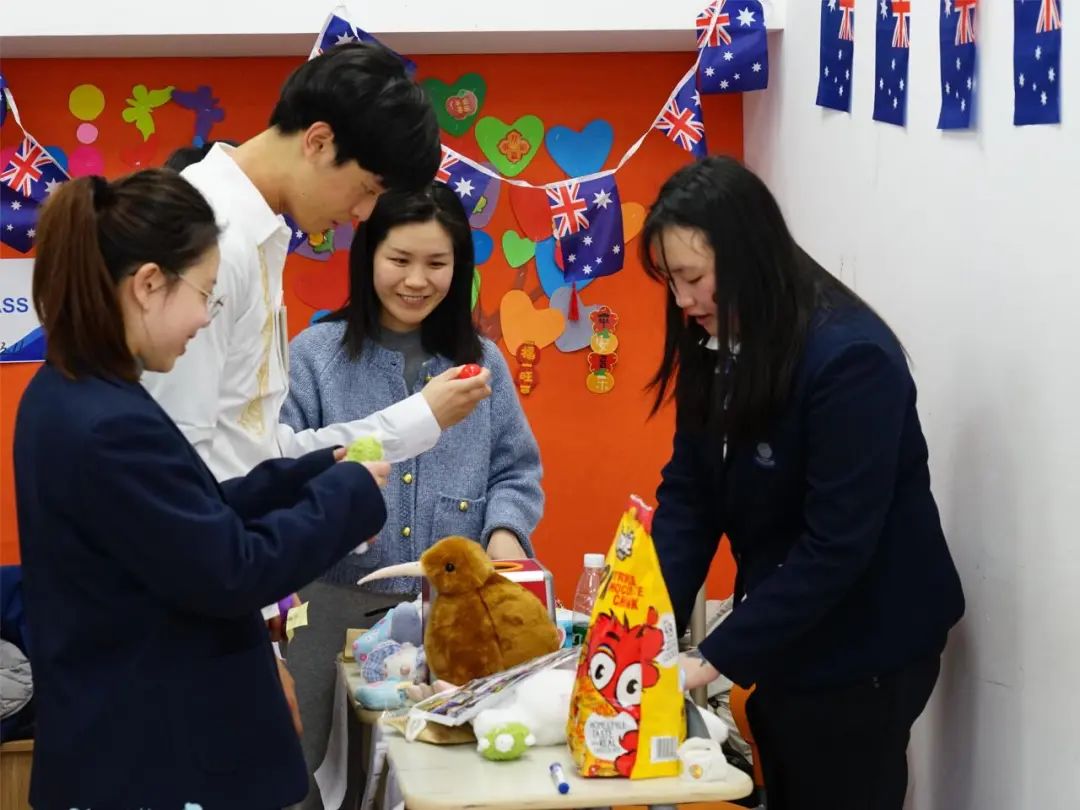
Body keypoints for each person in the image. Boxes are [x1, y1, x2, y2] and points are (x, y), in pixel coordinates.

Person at [13, 170, 392, 809]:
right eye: (206, 295)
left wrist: (304, 474)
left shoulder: (77, 392)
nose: (203, 319)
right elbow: (231, 570)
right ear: (148, 284)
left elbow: (184, 520)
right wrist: (348, 495)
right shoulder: (107, 421)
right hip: (153, 758)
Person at [643, 156, 965, 810]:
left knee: (835, 777)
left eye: (694, 278)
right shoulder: (716, 332)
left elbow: (837, 546)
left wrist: (712, 657)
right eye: (671, 280)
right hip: (794, 624)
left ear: (749, 257)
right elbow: (689, 497)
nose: (682, 300)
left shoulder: (850, 360)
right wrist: (642, 623)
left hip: (868, 642)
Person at [281, 183, 544, 800]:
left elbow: (516, 470)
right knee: (303, 769)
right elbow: (284, 469)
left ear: (459, 266)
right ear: (368, 255)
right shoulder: (314, 356)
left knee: (442, 775)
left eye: (437, 263)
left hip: (448, 616)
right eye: (399, 260)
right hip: (327, 608)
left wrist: (504, 533)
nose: (417, 281)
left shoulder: (483, 363)